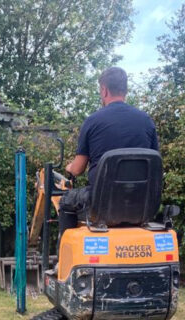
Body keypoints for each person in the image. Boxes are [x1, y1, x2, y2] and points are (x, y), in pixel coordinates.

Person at [59, 66, 159, 238]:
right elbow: (154, 164)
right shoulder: (146, 121)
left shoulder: (93, 121)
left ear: (104, 90)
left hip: (101, 202)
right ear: (125, 90)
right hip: (141, 203)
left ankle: (64, 254)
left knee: (66, 200)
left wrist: (69, 168)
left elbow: (78, 169)